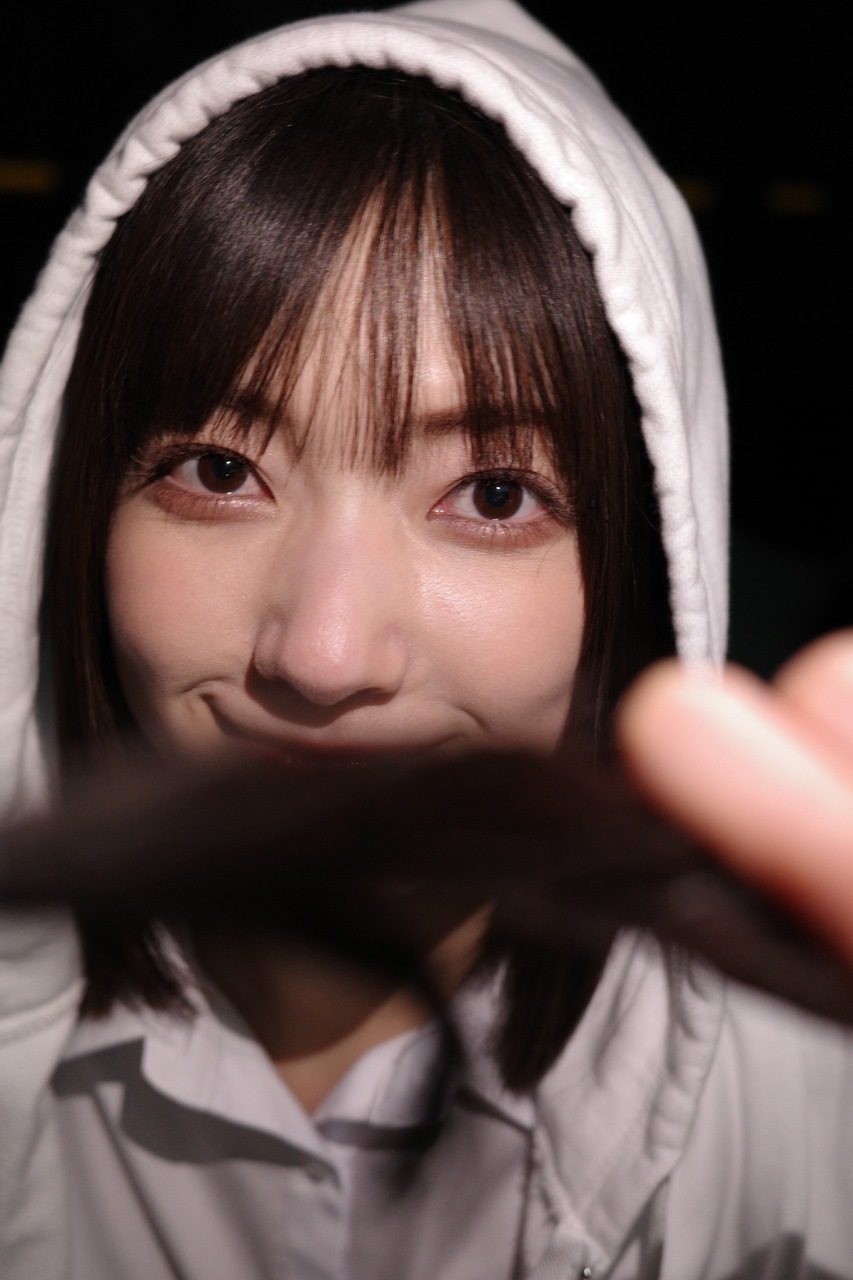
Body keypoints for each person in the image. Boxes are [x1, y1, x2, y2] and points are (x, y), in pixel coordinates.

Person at [1, 2, 852, 1277]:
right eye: (220, 470)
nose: (324, 655)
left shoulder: (811, 1090)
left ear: (644, 563)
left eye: (493, 495)